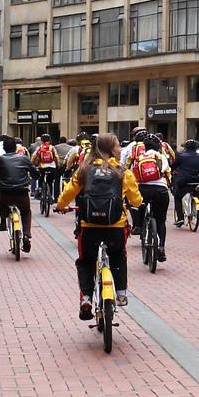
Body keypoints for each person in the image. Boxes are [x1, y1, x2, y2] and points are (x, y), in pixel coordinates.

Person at [56, 133, 143, 318]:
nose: (120, 149)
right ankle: (120, 293)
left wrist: (60, 206)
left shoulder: (84, 170)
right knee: (119, 256)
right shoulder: (122, 171)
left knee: (85, 262)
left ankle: (86, 297)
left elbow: (68, 193)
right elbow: (136, 201)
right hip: (116, 227)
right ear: (111, 149)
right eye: (118, 146)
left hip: (89, 227)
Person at [0, 137, 38, 253]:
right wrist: (34, 176)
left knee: (1, 203)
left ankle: (3, 223)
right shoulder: (24, 158)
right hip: (22, 192)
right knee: (25, 211)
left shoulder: (0, 160)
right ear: (16, 148)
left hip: (6, 192)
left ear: (4, 148)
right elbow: (35, 173)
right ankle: (26, 235)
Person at [127, 134, 171, 261]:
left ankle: (140, 225)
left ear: (144, 147)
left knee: (138, 205)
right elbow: (166, 170)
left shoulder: (138, 157)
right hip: (160, 190)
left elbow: (129, 171)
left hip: (143, 190)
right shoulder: (161, 156)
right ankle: (161, 247)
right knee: (161, 220)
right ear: (158, 146)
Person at [172, 139, 199, 227]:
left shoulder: (181, 156)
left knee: (177, 197)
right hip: (197, 181)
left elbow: (174, 166)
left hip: (184, 182)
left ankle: (180, 218)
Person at [31, 133, 61, 199]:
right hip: (51, 166)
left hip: (42, 166)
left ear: (42, 140)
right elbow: (56, 157)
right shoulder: (52, 147)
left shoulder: (39, 148)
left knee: (40, 178)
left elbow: (34, 156)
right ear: (49, 140)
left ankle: (40, 190)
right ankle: (50, 196)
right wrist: (57, 165)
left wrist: (32, 164)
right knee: (50, 182)